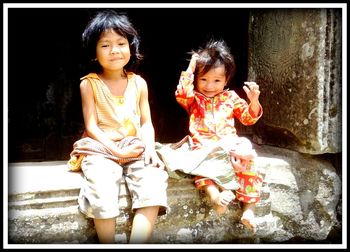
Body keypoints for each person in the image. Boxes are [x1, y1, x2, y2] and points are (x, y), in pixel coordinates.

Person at [67, 10, 168, 244]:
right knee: (101, 183)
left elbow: (146, 122)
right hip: (101, 146)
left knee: (154, 179)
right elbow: (91, 126)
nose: (114, 50)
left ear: (130, 47)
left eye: (121, 43)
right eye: (105, 45)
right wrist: (117, 151)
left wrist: (150, 149)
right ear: (94, 51)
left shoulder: (138, 83)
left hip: (134, 146)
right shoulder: (89, 83)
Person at [157, 39, 263, 233]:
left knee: (250, 165)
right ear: (197, 79)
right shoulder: (194, 99)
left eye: (217, 80)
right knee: (202, 169)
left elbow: (248, 118)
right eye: (203, 79)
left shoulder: (230, 98)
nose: (210, 86)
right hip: (203, 147)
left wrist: (254, 101)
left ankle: (249, 210)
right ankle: (215, 196)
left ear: (226, 79)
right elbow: (181, 93)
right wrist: (190, 68)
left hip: (229, 146)